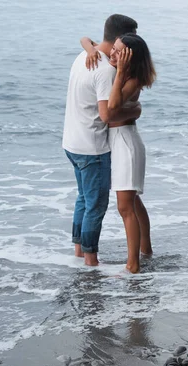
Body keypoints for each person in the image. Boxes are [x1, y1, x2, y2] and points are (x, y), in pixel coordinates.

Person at [62, 14, 140, 267]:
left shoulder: (85, 55)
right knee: (95, 205)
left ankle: (78, 251)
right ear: (120, 39)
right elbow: (107, 115)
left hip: (71, 141)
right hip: (91, 146)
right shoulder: (106, 69)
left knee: (83, 199)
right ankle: (90, 260)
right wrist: (136, 111)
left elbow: (85, 39)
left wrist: (86, 45)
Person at [80, 33, 156, 273]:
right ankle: (146, 250)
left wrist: (121, 72)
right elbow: (86, 39)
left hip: (126, 143)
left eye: (118, 51)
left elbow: (111, 108)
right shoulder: (116, 66)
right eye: (113, 48)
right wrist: (91, 50)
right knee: (133, 201)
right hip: (120, 141)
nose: (111, 54)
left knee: (125, 207)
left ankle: (133, 265)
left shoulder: (133, 78)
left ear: (129, 57)